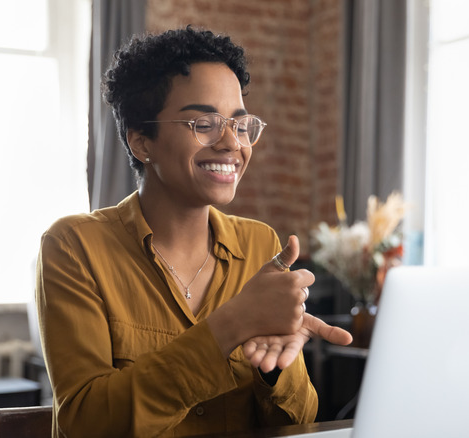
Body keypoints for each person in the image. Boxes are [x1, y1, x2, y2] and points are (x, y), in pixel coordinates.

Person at [36, 26, 352, 438]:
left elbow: (299, 425)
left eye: (240, 125)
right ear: (141, 141)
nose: (231, 143)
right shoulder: (75, 247)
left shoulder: (262, 247)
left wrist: (278, 370)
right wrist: (231, 325)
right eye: (204, 123)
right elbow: (85, 424)